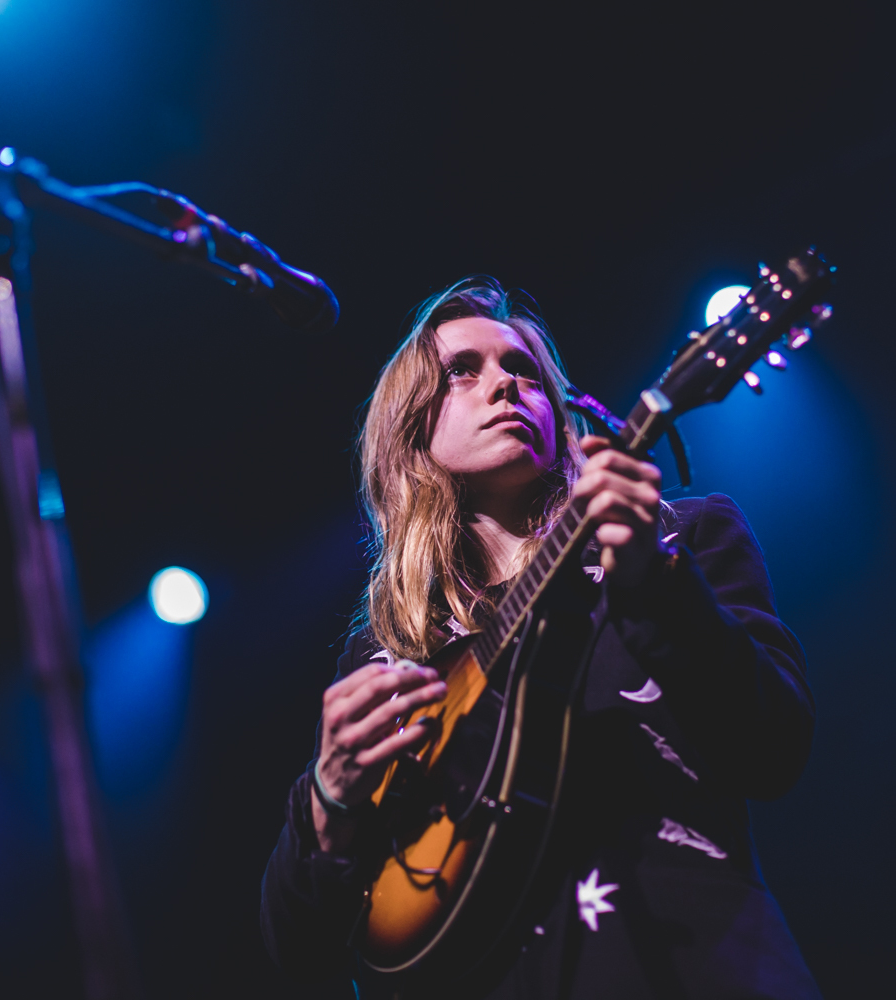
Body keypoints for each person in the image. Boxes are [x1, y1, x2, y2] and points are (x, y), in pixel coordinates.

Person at [261, 277, 821, 999]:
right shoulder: (387, 649)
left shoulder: (683, 537)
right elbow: (300, 956)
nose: (504, 386)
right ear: (407, 428)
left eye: (523, 370)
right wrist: (329, 801)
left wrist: (658, 584)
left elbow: (774, 750)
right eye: (463, 370)